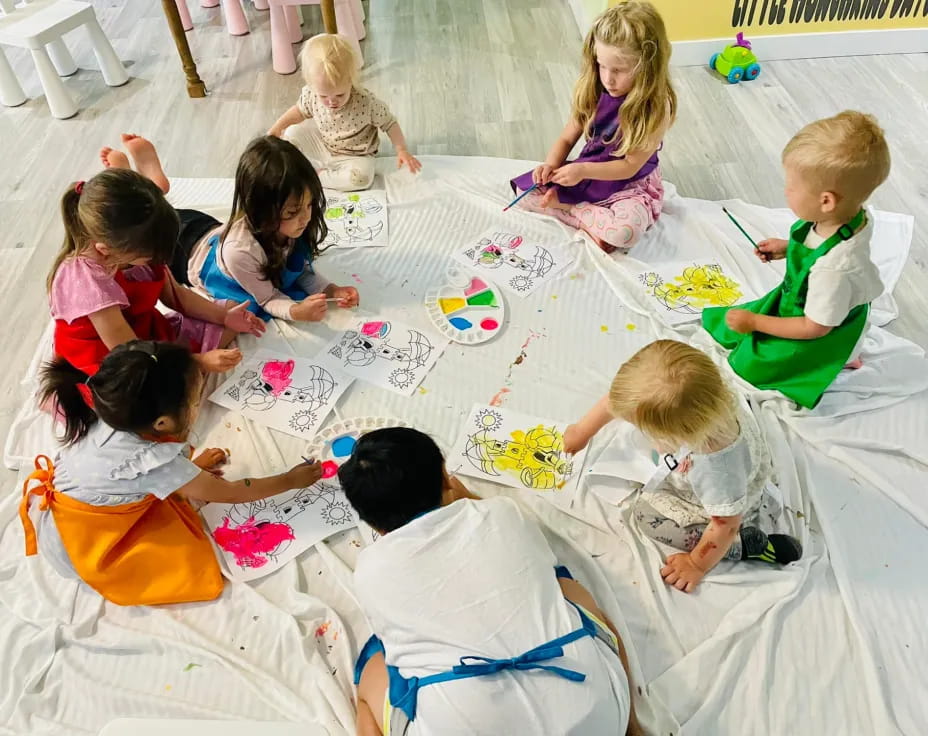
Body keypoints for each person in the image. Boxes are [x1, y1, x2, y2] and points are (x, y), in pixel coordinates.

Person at [340, 427, 638, 735]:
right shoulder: (503, 513)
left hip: (468, 718)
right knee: (566, 588)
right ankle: (633, 726)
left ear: (372, 522)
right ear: (446, 477)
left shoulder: (370, 570)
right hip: (599, 717)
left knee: (375, 670)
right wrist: (466, 497)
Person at [20, 340, 323, 606]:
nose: (196, 405)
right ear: (162, 423)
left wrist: (192, 469)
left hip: (66, 518)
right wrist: (290, 480)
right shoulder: (152, 460)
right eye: (193, 401)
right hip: (83, 546)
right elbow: (233, 493)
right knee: (184, 566)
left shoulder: (116, 410)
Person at [564, 340, 802, 593]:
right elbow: (614, 401)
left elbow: (725, 523)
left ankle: (746, 546)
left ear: (682, 436)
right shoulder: (706, 393)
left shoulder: (715, 468)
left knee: (647, 517)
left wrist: (696, 564)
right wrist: (581, 432)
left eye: (648, 432)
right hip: (720, 462)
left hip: (723, 504)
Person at [702, 111, 890, 409]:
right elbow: (819, 247)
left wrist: (756, 323)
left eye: (791, 186)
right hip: (812, 302)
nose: (785, 191)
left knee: (749, 368)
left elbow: (815, 328)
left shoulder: (834, 271)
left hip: (821, 326)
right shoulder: (852, 215)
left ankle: (842, 357)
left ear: (826, 201)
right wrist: (788, 247)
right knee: (727, 324)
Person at [48, 160, 263, 384]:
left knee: (229, 309)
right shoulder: (89, 281)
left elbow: (177, 296)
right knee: (166, 398)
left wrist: (225, 316)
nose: (155, 261)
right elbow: (129, 352)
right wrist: (196, 362)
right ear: (108, 250)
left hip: (143, 330)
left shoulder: (141, 245)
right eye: (148, 257)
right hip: (113, 358)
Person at [510, 1, 675, 253]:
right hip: (587, 173)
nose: (608, 78)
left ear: (647, 66)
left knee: (625, 232)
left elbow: (629, 166)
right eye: (601, 65)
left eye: (619, 69)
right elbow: (567, 137)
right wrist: (550, 165)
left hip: (630, 184)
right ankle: (591, 222)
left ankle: (572, 211)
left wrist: (582, 171)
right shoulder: (594, 88)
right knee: (525, 193)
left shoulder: (656, 107)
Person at [160, 135, 360, 322]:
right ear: (261, 211)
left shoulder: (294, 225)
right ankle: (154, 183)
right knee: (150, 217)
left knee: (157, 209)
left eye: (310, 204)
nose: (306, 218)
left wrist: (332, 290)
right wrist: (296, 312)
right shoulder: (240, 252)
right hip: (178, 250)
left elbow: (300, 270)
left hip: (203, 226)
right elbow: (267, 299)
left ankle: (155, 186)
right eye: (292, 212)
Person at [268, 33, 421, 191]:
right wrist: (277, 127)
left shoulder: (366, 102)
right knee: (292, 133)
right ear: (311, 85)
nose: (332, 101)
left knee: (362, 179)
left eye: (340, 95)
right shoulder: (311, 94)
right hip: (324, 146)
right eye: (323, 96)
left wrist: (401, 150)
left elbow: (390, 123)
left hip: (357, 156)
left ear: (351, 81)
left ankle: (316, 176)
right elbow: (299, 112)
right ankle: (314, 169)